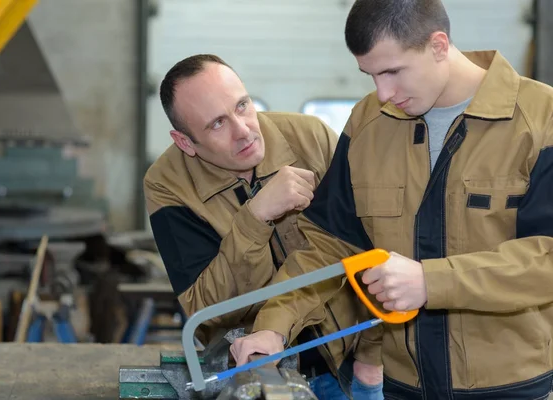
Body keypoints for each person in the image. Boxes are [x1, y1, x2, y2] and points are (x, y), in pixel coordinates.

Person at [231, 0, 553, 399]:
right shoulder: (369, 123)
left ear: (438, 46)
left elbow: (547, 258)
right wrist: (274, 325)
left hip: (513, 388)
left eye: (392, 71)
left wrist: (431, 281)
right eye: (370, 75)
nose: (383, 92)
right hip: (403, 387)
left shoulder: (541, 121)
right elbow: (328, 246)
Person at [143, 54, 384, 399]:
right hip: (254, 374)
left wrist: (372, 354)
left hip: (352, 361)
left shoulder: (312, 138)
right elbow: (207, 309)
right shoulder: (168, 185)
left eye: (242, 106)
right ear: (184, 142)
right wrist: (254, 219)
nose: (243, 132)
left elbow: (367, 246)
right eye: (217, 124)